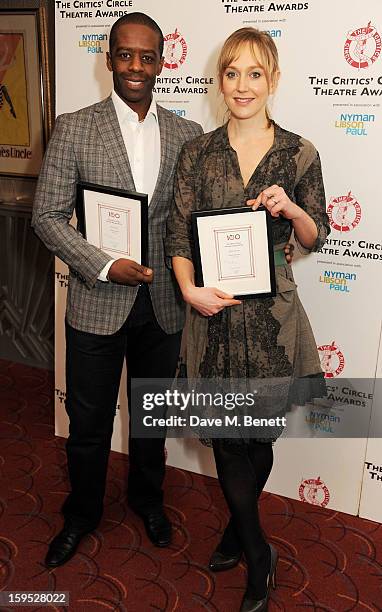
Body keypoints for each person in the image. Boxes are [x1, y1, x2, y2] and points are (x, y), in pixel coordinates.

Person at [166, 27, 330, 612]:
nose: (242, 85)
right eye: (232, 72)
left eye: (255, 73)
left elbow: (316, 236)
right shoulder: (197, 152)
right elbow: (179, 231)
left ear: (273, 80)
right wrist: (189, 290)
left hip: (272, 321)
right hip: (211, 318)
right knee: (226, 437)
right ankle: (257, 547)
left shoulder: (299, 152)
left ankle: (241, 531)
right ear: (220, 80)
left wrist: (292, 208)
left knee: (256, 435)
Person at [32, 12, 203, 568]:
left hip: (163, 307)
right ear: (109, 60)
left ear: (162, 62)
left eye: (146, 56)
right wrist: (103, 266)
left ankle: (148, 501)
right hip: (96, 302)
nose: (135, 66)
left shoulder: (187, 134)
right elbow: (47, 216)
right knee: (89, 424)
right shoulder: (74, 127)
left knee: (150, 420)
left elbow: (193, 221)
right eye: (124, 55)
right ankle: (81, 514)